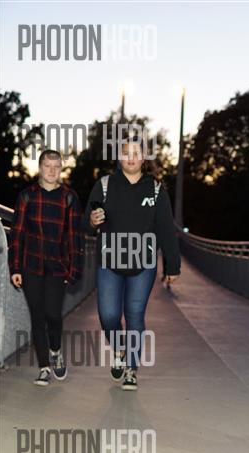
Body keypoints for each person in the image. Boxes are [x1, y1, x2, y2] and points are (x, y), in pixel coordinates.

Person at [84, 139, 180, 391]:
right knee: (108, 315)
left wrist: (172, 265)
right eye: (126, 153)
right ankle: (119, 349)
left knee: (135, 314)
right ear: (119, 157)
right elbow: (86, 225)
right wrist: (92, 221)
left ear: (143, 158)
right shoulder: (104, 185)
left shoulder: (156, 189)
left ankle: (131, 369)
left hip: (143, 264)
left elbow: (166, 229)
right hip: (109, 262)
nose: (131, 157)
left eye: (136, 153)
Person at [9, 149, 83, 386]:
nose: (52, 171)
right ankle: (43, 367)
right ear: (40, 168)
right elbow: (17, 234)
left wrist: (74, 268)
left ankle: (56, 350)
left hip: (57, 266)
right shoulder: (27, 196)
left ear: (61, 169)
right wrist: (15, 268)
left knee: (53, 314)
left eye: (56, 166)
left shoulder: (69, 198)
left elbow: (75, 236)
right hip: (31, 265)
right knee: (37, 316)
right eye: (47, 166)